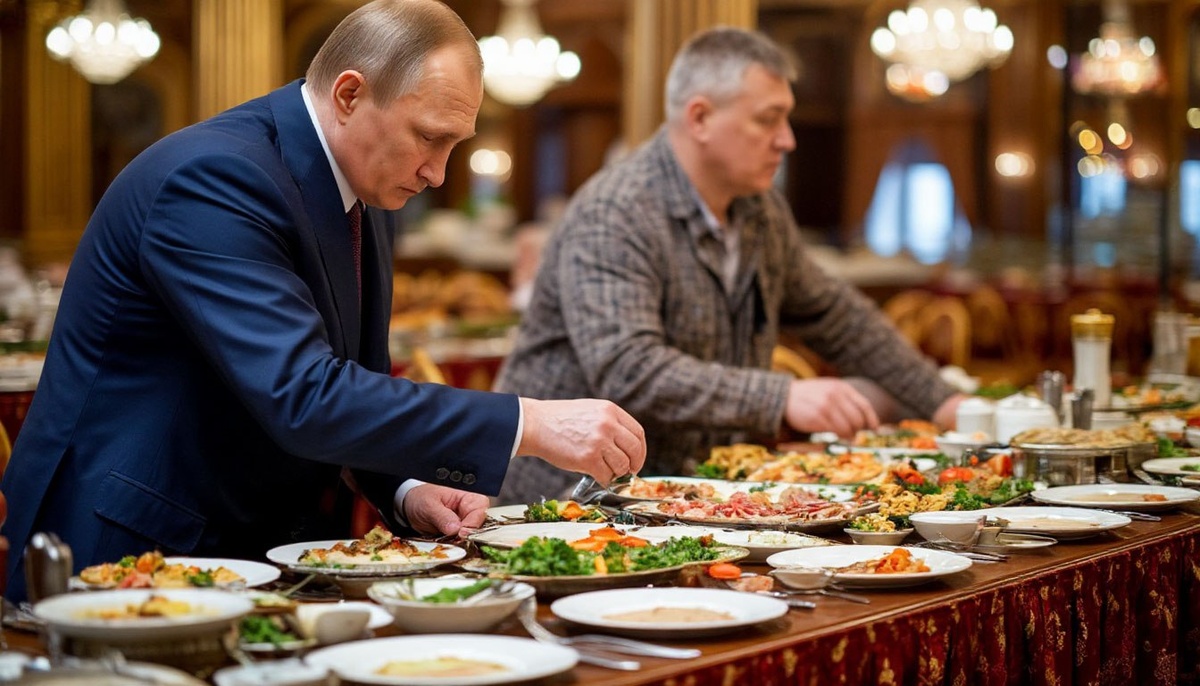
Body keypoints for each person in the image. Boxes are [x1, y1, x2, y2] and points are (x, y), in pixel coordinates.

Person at [0, 0, 645, 602]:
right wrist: (528, 423)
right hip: (132, 547)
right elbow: (303, 396)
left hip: (255, 549)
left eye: (455, 144)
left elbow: (354, 382)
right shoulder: (215, 176)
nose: (438, 173)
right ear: (349, 94)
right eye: (429, 137)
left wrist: (405, 487)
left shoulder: (365, 186)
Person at [494, 26, 964, 504]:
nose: (787, 140)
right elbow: (631, 370)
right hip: (560, 503)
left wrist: (944, 400)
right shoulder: (617, 209)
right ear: (700, 117)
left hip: (684, 494)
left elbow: (839, 318)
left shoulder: (759, 208)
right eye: (768, 120)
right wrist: (782, 397)